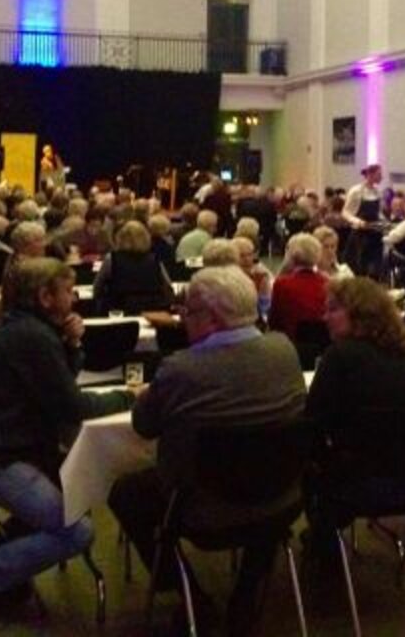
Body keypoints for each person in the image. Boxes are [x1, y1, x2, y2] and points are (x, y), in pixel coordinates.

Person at [0, 258, 137, 633]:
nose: (74, 297)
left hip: (2, 449)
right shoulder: (32, 338)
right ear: (45, 297)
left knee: (75, 498)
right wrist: (132, 397)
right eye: (67, 291)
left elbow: (58, 387)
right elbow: (73, 406)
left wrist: (72, 344)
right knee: (77, 530)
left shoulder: (27, 330)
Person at [107, 266, 305, 635]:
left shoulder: (181, 370)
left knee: (125, 493)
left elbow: (144, 425)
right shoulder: (285, 350)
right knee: (263, 479)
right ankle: (246, 595)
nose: (183, 318)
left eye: (189, 312)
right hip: (282, 500)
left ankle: (192, 599)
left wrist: (152, 394)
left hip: (205, 510)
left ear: (211, 318)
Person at [303, 277, 405, 555]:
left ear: (359, 313)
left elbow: (312, 421)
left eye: (333, 309)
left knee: (302, 460)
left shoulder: (340, 356)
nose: (324, 317)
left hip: (362, 482)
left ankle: (324, 539)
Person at [92, 220, 174, 314]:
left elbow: (97, 288)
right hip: (151, 311)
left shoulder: (111, 259)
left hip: (119, 310)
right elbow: (168, 287)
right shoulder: (154, 260)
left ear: (120, 238)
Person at [268, 233, 329, 340]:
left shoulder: (282, 284)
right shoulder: (327, 282)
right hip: (323, 340)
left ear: (291, 255)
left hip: (290, 340)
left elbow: (274, 321)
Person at [342, 164, 386, 279]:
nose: (381, 177)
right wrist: (358, 222)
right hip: (360, 235)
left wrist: (384, 221)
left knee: (375, 268)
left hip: (375, 233)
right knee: (360, 267)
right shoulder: (356, 191)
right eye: (379, 174)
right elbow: (345, 212)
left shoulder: (378, 192)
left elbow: (378, 212)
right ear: (370, 174)